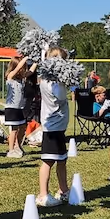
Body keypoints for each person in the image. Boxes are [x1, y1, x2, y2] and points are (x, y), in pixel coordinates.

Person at [36, 47, 71, 207]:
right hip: (53, 128)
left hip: (58, 128)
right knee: (48, 162)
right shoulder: (54, 84)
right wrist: (65, 81)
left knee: (62, 160)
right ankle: (43, 194)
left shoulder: (46, 79)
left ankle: (63, 190)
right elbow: (62, 96)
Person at [4, 56, 37, 158]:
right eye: (23, 67)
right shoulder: (10, 77)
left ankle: (18, 146)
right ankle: (11, 150)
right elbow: (17, 68)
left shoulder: (22, 79)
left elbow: (31, 71)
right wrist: (26, 57)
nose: (24, 70)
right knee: (14, 129)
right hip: (12, 108)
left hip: (20, 108)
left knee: (22, 127)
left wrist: (37, 61)